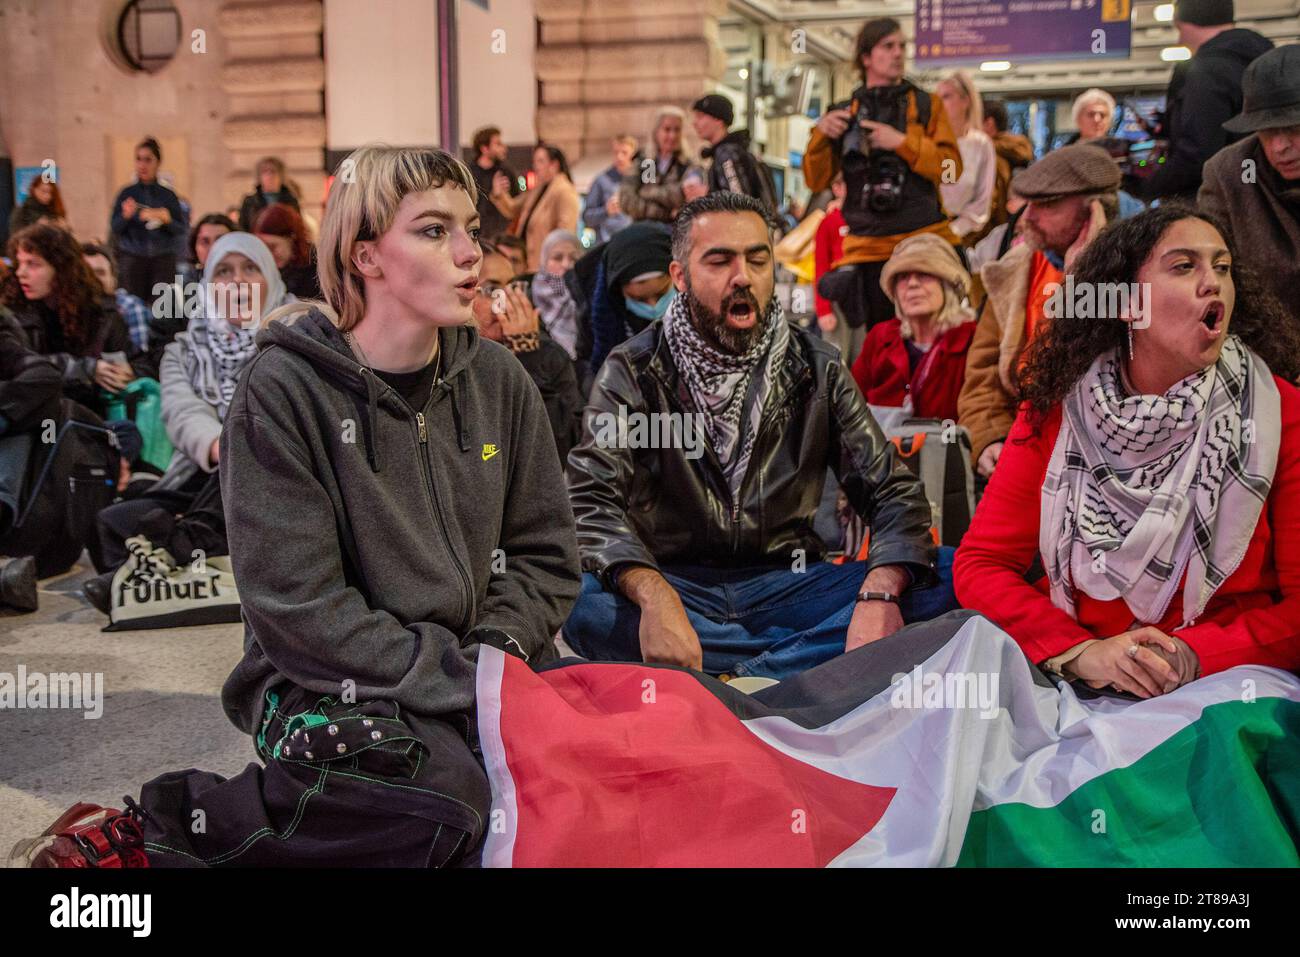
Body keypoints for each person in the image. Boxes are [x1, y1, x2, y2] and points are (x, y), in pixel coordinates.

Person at [14, 145, 581, 869]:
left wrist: (494, 653)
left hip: (485, 664)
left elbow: (544, 554)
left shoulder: (500, 380)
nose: (473, 253)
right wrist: (457, 677)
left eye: (471, 227)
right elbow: (300, 609)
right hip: (325, 682)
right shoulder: (283, 389)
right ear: (366, 254)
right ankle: (163, 835)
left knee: (626, 755)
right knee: (442, 798)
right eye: (436, 230)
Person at [563, 192, 955, 679]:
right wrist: (653, 594)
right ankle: (796, 666)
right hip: (677, 583)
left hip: (789, 584)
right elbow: (589, 502)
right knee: (577, 602)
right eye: (720, 260)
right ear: (680, 276)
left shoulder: (817, 367)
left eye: (757, 258)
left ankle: (721, 673)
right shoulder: (632, 369)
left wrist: (879, 591)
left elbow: (892, 491)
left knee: (951, 573)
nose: (742, 277)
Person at [955, 205, 1300, 695]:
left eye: (1221, 267)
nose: (1213, 283)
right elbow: (982, 563)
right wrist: (1079, 652)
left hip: (1222, 685)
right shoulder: (1057, 408)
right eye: (1184, 267)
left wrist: (1195, 655)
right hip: (1073, 679)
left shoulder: (1281, 412)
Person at [82, 233, 291, 611]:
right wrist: (221, 447)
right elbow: (182, 413)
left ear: (271, 279)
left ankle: (170, 560)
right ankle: (193, 564)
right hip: (207, 471)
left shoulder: (296, 337)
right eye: (224, 272)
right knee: (112, 521)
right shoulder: (183, 349)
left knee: (249, 450)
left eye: (250, 269)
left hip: (278, 476)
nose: (238, 281)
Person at [958, 143, 1121, 480]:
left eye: (1046, 205)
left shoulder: (1134, 272)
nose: (1027, 217)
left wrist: (1083, 274)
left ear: (1094, 211)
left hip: (1105, 454)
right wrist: (990, 435)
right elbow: (983, 371)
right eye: (1028, 203)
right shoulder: (1015, 269)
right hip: (1025, 438)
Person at [804, 17, 962, 336]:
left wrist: (902, 143)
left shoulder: (926, 104)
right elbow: (816, 182)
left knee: (934, 339)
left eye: (902, 46)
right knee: (884, 348)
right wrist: (821, 135)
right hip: (868, 250)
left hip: (925, 242)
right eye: (888, 46)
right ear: (866, 58)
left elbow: (951, 169)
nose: (899, 53)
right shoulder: (844, 111)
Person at [1132, 0, 1271, 204]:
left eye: (1179, 29)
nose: (1180, 39)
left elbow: (1197, 154)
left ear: (1187, 23)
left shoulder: (1207, 70)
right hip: (1257, 196)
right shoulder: (1262, 61)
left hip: (1215, 202)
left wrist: (1143, 188)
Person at [2, 223, 146, 414]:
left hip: (93, 418)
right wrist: (85, 369)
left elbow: (137, 360)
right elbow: (21, 369)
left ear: (60, 268)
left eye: (33, 264)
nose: (21, 273)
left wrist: (128, 371)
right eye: (19, 263)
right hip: (36, 419)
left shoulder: (102, 313)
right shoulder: (13, 315)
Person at [1199, 44, 1300, 314]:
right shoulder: (1228, 175)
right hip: (1264, 343)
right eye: (1266, 131)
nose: (1280, 146)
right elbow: (1211, 276)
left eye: (1293, 128)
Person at [850, 233, 975, 421]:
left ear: (948, 286)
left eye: (924, 275)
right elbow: (851, 405)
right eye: (903, 277)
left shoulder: (971, 339)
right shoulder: (881, 336)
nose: (912, 284)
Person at [477, 242, 583, 460]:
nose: (507, 303)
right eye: (491, 291)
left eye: (513, 288)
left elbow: (567, 445)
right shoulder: (448, 361)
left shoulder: (548, 355)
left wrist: (528, 357)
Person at [570, 220, 675, 384]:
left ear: (677, 277)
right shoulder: (596, 326)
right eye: (639, 299)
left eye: (661, 294)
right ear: (619, 292)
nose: (654, 307)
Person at [108, 137, 188, 306]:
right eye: (138, 159)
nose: (142, 165)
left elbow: (181, 229)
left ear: (157, 162)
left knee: (162, 309)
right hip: (133, 260)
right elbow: (115, 227)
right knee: (132, 306)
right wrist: (126, 216)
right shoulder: (126, 193)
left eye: (147, 159)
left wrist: (166, 219)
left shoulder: (168, 195)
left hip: (162, 261)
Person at [491, 143, 580, 273]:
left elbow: (565, 233)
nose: (536, 166)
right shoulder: (538, 189)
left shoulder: (564, 191)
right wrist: (500, 194)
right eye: (535, 161)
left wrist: (556, 263)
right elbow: (512, 209)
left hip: (546, 267)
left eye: (540, 161)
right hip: (529, 263)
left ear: (554, 165)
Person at [936, 70, 997, 244]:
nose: (940, 104)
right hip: (927, 233)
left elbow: (982, 201)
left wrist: (954, 230)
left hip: (964, 237)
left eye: (947, 96)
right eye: (937, 98)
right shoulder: (929, 141)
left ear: (965, 100)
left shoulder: (981, 144)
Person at [691, 94, 778, 212]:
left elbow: (739, 201)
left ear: (718, 119)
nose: (694, 123)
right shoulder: (732, 150)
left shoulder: (726, 154)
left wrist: (706, 195)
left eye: (700, 117)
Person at [619, 106, 695, 223]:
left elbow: (684, 197)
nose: (672, 136)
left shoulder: (687, 164)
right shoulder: (643, 161)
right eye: (667, 129)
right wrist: (664, 213)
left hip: (674, 234)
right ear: (656, 131)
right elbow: (626, 200)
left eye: (677, 130)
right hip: (643, 229)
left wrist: (647, 193)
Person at [975, 99, 1034, 246]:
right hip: (1014, 231)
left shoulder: (991, 156)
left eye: (973, 121)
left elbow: (989, 202)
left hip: (988, 235)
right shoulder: (1016, 150)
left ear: (988, 123)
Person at [81, 242, 151, 353]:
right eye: (85, 273)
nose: (92, 279)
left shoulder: (130, 307)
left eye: (100, 273)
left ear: (114, 279)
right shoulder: (64, 308)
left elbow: (139, 360)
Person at [813, 173, 852, 357]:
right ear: (836, 188)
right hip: (837, 300)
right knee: (836, 358)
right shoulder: (829, 222)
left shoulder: (868, 220)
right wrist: (823, 309)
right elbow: (820, 267)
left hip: (864, 298)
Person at [529, 229, 581, 360]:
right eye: (557, 258)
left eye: (573, 258)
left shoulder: (587, 296)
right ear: (544, 260)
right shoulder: (528, 296)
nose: (566, 265)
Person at [253, 202, 320, 299]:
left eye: (272, 247)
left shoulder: (317, 270)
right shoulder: (263, 272)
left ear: (291, 238)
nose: (268, 254)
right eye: (262, 248)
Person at [467, 125, 520, 242]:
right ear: (484, 148)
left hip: (501, 238)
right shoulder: (469, 173)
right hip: (475, 236)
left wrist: (503, 196)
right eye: (498, 144)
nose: (504, 148)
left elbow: (516, 205)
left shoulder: (506, 172)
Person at [583, 135, 637, 242]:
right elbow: (587, 218)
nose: (619, 157)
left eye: (624, 152)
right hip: (607, 244)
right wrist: (606, 211)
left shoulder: (640, 181)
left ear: (633, 154)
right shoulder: (601, 181)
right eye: (616, 152)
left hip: (634, 242)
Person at [236, 156, 301, 232]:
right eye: (265, 172)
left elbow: (297, 227)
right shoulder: (250, 202)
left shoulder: (290, 201)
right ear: (259, 176)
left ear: (281, 176)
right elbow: (243, 228)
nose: (269, 176)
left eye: (273, 171)